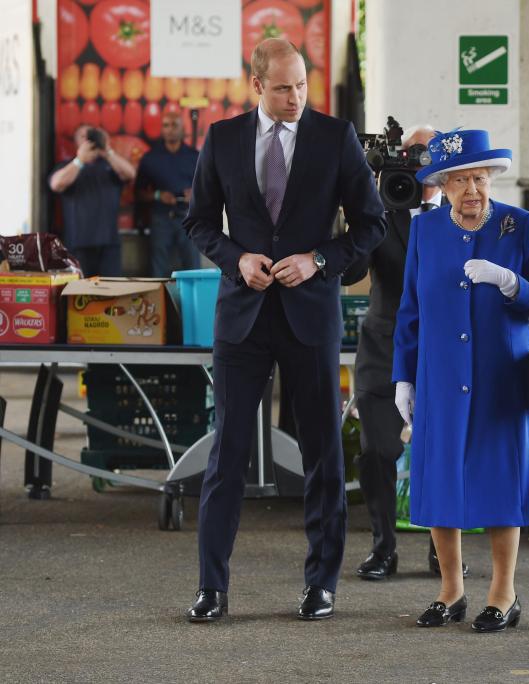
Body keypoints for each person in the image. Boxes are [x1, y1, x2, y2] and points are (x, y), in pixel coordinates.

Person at [182, 38, 386, 623]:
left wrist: (320, 260)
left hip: (310, 313)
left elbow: (370, 224)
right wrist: (236, 258)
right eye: (282, 88)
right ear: (256, 86)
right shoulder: (221, 139)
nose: (295, 97)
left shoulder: (335, 137)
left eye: (301, 85)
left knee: (324, 451)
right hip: (242, 316)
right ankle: (211, 588)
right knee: (228, 455)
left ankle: (322, 583)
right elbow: (198, 220)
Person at [392, 128, 529, 632]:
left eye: (479, 178)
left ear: (491, 178)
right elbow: (410, 311)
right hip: (439, 375)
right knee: (441, 478)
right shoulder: (425, 232)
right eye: (460, 180)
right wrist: (404, 377)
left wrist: (510, 282)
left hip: (500, 374)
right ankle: (450, 590)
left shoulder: (520, 225)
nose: (471, 190)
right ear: (441, 186)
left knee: (499, 479)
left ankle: (503, 594)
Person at [345, 125, 470, 582]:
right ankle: (383, 547)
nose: (419, 165)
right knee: (377, 451)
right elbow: (351, 270)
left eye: (427, 155)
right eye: (411, 154)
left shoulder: (465, 211)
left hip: (444, 351)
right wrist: (363, 206)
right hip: (384, 347)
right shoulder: (383, 208)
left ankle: (444, 550)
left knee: (443, 451)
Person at [48, 125, 136, 277]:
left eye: (92, 136)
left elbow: (130, 173)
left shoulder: (110, 166)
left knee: (111, 291)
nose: (89, 140)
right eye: (83, 136)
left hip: (109, 243)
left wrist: (107, 151)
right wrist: (80, 160)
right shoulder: (68, 165)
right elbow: (56, 184)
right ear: (76, 143)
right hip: (78, 243)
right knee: (80, 292)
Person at [136, 111, 202, 277]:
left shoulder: (195, 157)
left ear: (183, 129)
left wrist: (195, 195)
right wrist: (158, 195)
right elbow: (138, 193)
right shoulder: (150, 158)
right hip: (160, 219)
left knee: (193, 269)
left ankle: (194, 303)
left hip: (189, 220)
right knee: (157, 269)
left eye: (174, 125)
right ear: (162, 129)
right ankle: (158, 303)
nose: (170, 129)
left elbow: (210, 189)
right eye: (166, 125)